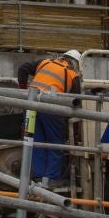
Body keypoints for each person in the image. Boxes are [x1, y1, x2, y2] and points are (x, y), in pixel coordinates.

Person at [26, 49, 82, 188]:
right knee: (56, 143)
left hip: (30, 105)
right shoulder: (71, 74)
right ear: (75, 63)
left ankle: (39, 177)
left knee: (37, 141)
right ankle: (51, 178)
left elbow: (23, 68)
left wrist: (22, 87)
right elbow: (76, 103)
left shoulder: (45, 62)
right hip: (50, 108)